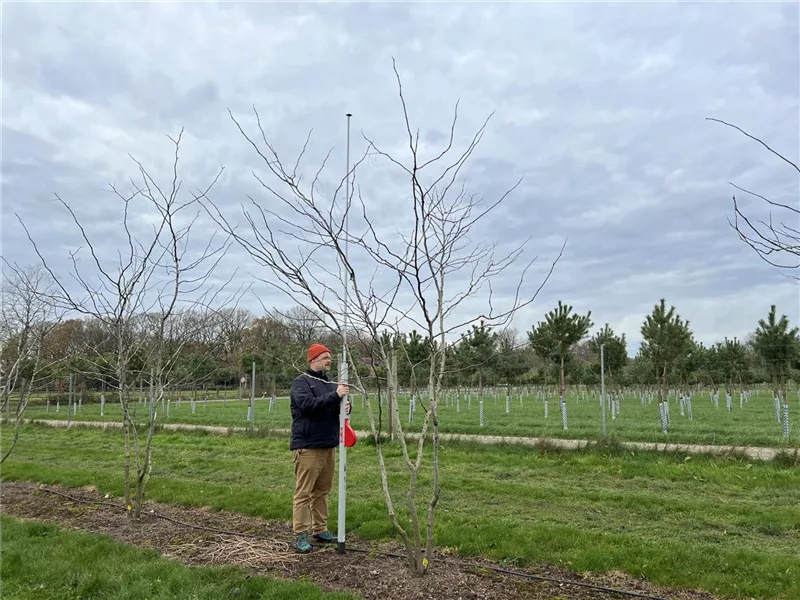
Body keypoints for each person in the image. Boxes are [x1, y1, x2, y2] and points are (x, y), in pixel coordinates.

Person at [290, 343, 351, 553]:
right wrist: (335, 396)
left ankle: (320, 529)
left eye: (330, 357)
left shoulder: (329, 382)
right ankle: (300, 534)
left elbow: (331, 406)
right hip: (308, 446)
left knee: (322, 491)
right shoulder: (302, 382)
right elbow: (308, 405)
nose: (329, 360)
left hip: (328, 445)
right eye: (325, 357)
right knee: (304, 493)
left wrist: (343, 406)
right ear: (313, 359)